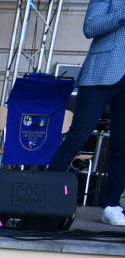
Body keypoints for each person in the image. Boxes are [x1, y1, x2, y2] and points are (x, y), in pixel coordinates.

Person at [47, 0, 125, 226]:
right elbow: (90, 27)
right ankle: (48, 194)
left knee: (122, 145)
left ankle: (111, 205)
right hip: (102, 71)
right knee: (78, 135)